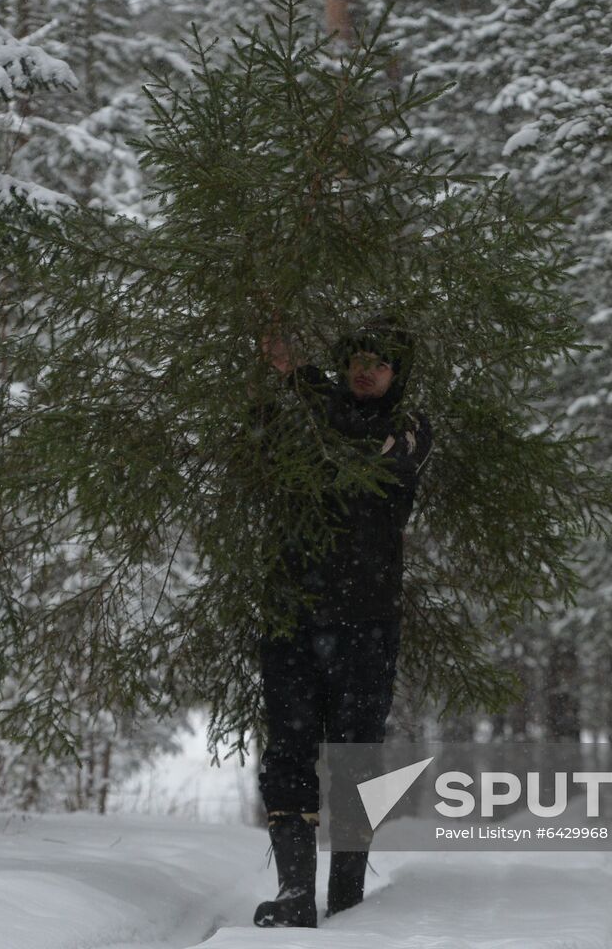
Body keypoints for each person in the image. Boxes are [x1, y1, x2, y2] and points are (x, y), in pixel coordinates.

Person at [250, 313, 433, 928]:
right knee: (288, 753)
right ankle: (297, 896)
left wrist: (297, 376)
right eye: (355, 361)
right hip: (291, 611)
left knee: (356, 755)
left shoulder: (409, 430)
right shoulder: (306, 415)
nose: (364, 373)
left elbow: (346, 444)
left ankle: (348, 900)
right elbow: (268, 439)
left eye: (378, 364)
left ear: (396, 374)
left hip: (367, 620)